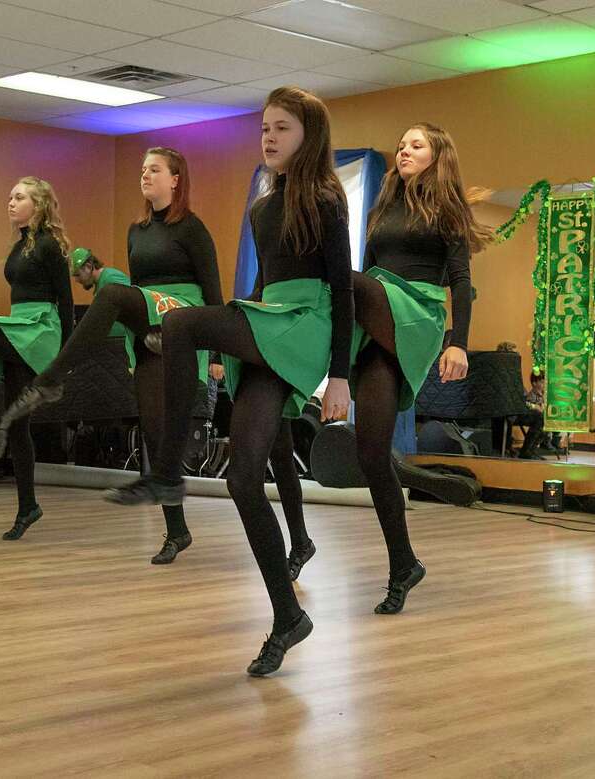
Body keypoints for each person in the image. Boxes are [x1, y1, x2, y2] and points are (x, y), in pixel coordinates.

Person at [103, 87, 352, 675]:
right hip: (272, 321)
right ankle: (288, 616)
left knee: (184, 321)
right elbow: (265, 278)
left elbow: (340, 289)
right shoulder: (264, 204)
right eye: (265, 127)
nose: (268, 136)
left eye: (282, 128)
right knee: (243, 478)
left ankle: (165, 473)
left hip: (307, 322)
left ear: (309, 135)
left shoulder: (326, 198)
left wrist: (338, 375)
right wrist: (247, 325)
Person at [0, 149, 223, 563]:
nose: (145, 175)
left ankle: (52, 376)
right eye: (142, 170)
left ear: (176, 179)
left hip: (183, 314)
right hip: (152, 322)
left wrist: (217, 353)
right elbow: (140, 287)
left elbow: (213, 292)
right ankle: (178, 531)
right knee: (153, 429)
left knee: (115, 294)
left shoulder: (192, 229)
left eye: (154, 169)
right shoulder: (137, 231)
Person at [343, 121, 490, 614]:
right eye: (401, 144)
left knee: (341, 281)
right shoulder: (384, 205)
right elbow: (364, 273)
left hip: (417, 310)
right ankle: (404, 562)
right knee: (369, 452)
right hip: (377, 317)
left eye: (416, 145)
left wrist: (460, 344)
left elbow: (462, 282)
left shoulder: (446, 208)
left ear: (436, 155)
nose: (404, 150)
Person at [0, 177, 73, 540]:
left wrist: (64, 358)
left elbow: (66, 301)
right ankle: (28, 507)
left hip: (37, 328)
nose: (10, 202)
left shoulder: (50, 245)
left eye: (19, 197)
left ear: (37, 205)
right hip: (19, 323)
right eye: (9, 196)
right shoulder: (21, 243)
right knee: (20, 425)